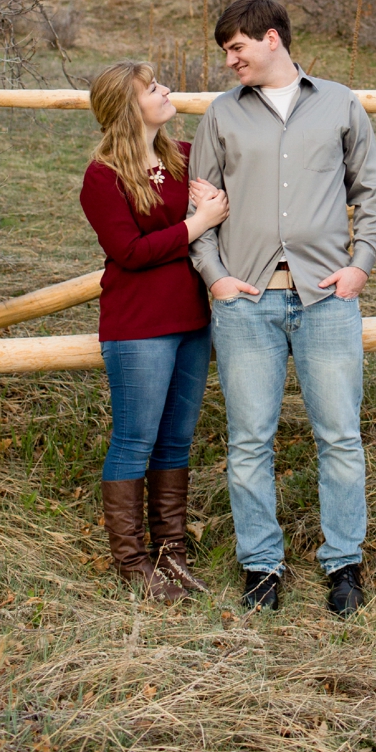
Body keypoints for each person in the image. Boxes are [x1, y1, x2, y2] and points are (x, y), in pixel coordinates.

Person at [188, 0, 376, 617]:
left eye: (236, 48)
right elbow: (201, 210)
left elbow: (373, 190)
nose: (230, 61)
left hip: (327, 300)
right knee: (249, 440)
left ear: (270, 39)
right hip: (246, 302)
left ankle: (344, 566)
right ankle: (261, 566)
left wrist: (360, 266)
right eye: (227, 51)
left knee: (340, 436)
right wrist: (215, 277)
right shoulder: (221, 116)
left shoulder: (340, 104)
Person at [80, 62, 228, 603]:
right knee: (134, 441)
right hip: (139, 326)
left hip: (193, 321)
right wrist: (197, 225)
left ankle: (173, 552)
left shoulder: (181, 157)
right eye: (154, 87)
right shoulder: (102, 178)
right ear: (128, 105)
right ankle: (133, 562)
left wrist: (211, 215)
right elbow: (130, 253)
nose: (166, 91)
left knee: (174, 440)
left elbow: (221, 204)